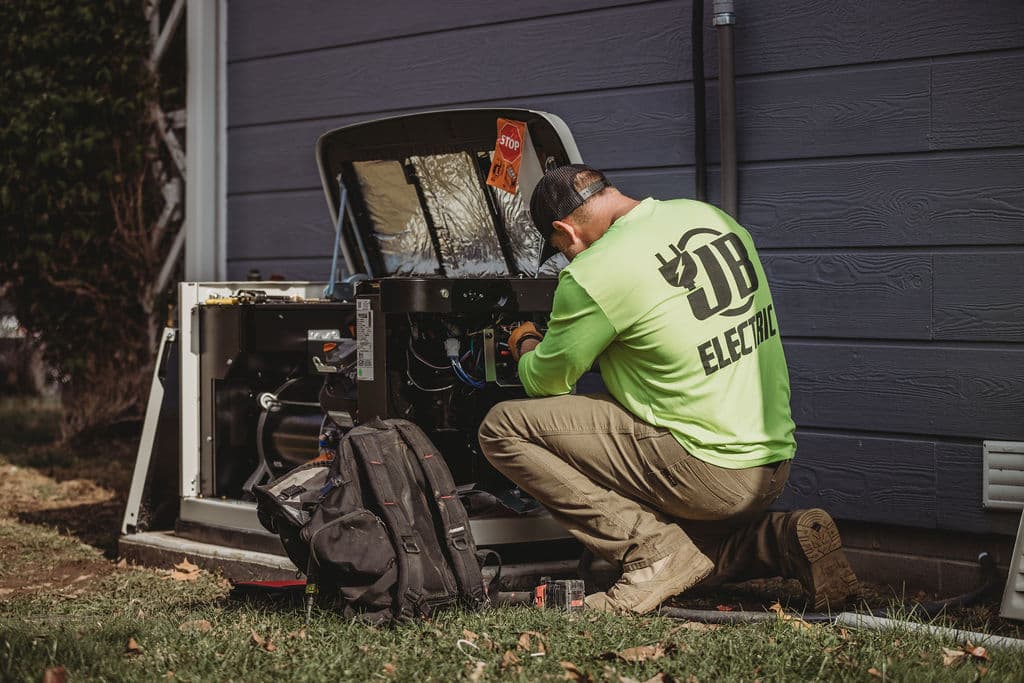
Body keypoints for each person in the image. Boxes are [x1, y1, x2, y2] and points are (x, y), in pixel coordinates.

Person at [478, 164, 859, 614]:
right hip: (770, 464)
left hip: (708, 470)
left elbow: (548, 381)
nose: (566, 259)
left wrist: (525, 342)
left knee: (502, 427)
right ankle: (783, 540)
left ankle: (651, 552)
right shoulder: (708, 218)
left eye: (560, 249)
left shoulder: (595, 271)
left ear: (565, 230)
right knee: (691, 557)